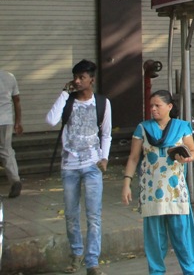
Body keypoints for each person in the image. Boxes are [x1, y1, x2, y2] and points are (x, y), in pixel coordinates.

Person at [121, 90, 194, 275]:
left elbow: (193, 150)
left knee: (182, 236)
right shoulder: (143, 128)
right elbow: (134, 158)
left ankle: (191, 271)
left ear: (169, 107)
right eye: (151, 106)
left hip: (175, 192)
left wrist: (187, 158)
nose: (153, 109)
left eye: (157, 105)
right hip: (151, 192)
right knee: (155, 241)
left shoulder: (182, 127)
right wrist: (126, 183)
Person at [45, 59, 112, 275]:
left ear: (91, 79)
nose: (77, 81)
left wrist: (105, 158)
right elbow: (50, 121)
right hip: (69, 166)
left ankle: (92, 261)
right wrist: (65, 93)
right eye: (75, 77)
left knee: (94, 215)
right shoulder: (69, 101)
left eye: (82, 77)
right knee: (71, 214)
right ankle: (76, 255)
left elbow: (106, 133)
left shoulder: (102, 103)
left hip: (92, 165)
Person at [0, 68, 23, 199]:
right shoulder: (9, 77)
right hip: (6, 121)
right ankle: (15, 180)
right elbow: (17, 100)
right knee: (6, 150)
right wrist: (18, 121)